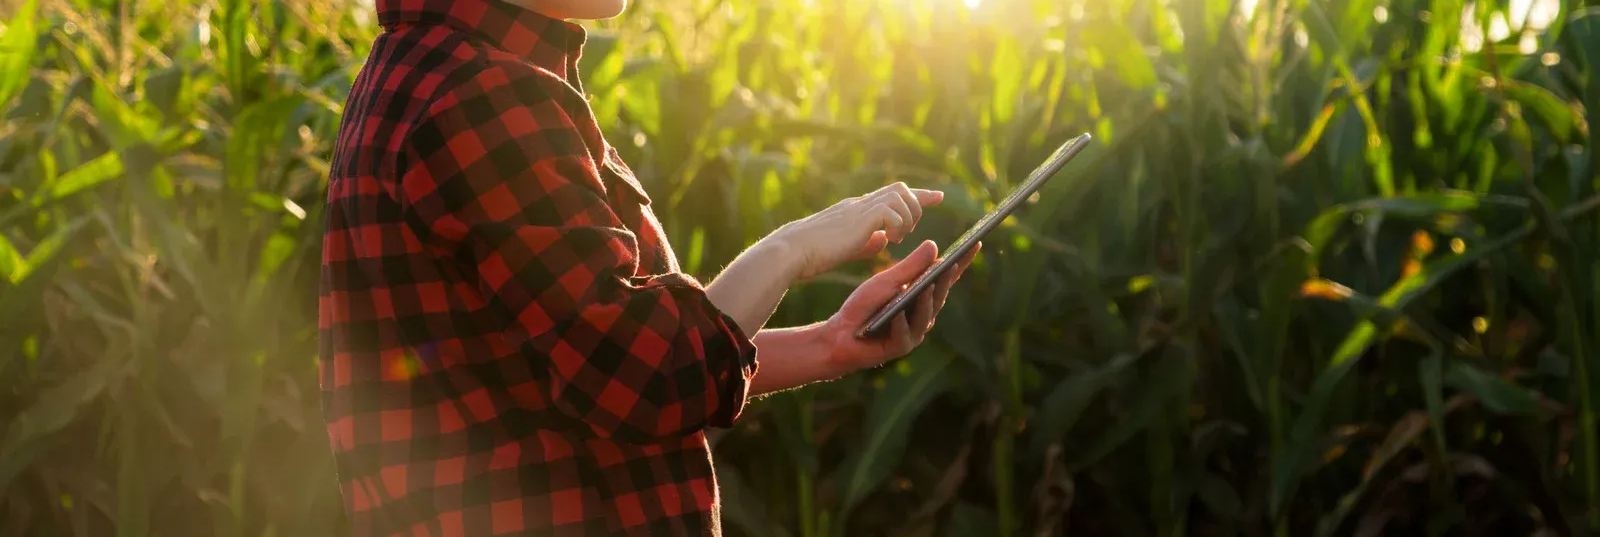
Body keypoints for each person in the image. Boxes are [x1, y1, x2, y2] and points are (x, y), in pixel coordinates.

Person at [317, 0, 979, 535]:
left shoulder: (417, 71)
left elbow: (572, 365)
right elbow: (642, 368)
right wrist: (793, 248)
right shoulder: (484, 95)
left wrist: (828, 344)